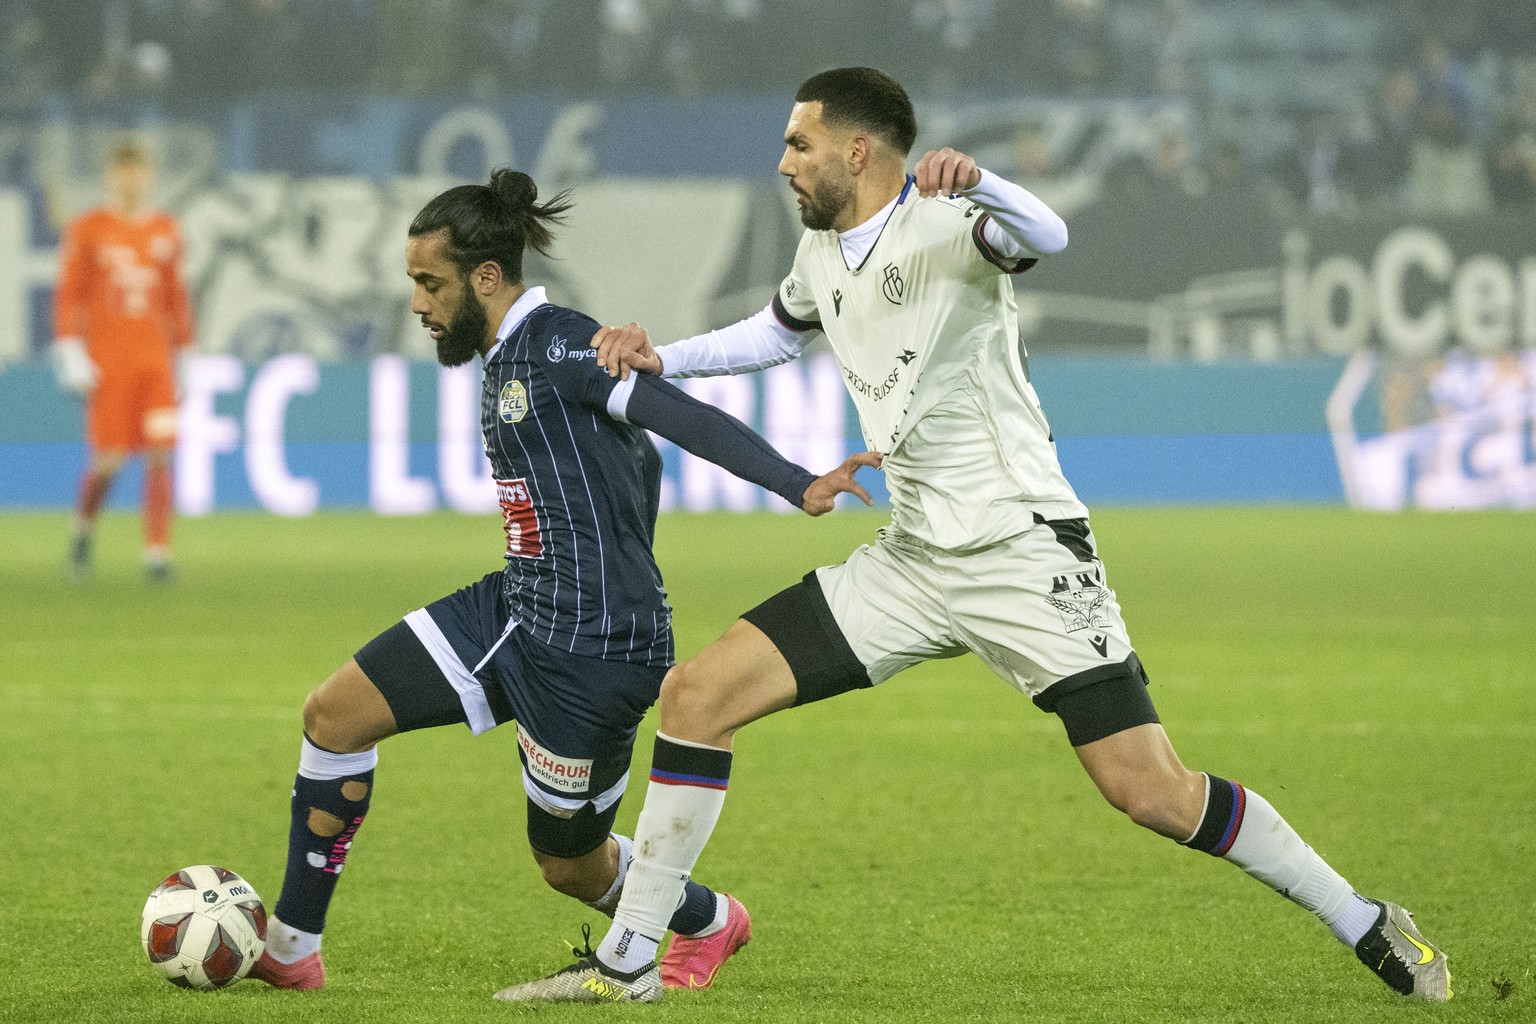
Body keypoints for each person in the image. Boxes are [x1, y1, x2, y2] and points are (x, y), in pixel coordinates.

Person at [500, 67, 1451, 1004]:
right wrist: (668, 355)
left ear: (857, 150)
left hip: (1021, 553)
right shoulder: (823, 253)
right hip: (912, 558)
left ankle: (1363, 918)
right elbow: (773, 334)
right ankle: (628, 963)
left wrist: (984, 180)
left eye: (800, 143)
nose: (784, 163)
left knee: (1151, 791)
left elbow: (1051, 233)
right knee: (698, 696)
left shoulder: (951, 225)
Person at [247, 168, 879, 997]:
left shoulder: (561, 344)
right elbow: (635, 463)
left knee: (570, 865)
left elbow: (673, 417)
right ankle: (293, 949)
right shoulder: (505, 357)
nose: (417, 303)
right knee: (333, 715)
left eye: (429, 283)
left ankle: (705, 918)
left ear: (484, 278)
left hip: (592, 651)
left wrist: (797, 481)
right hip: (513, 608)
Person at [52, 135, 194, 582]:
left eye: (139, 169)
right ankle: (83, 529)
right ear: (110, 176)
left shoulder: (165, 230)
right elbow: (69, 295)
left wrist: (186, 353)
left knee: (160, 454)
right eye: (123, 169)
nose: (131, 179)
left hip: (154, 363)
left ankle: (157, 553)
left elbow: (174, 299)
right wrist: (70, 350)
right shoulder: (88, 229)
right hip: (108, 365)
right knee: (108, 461)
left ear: (148, 175)